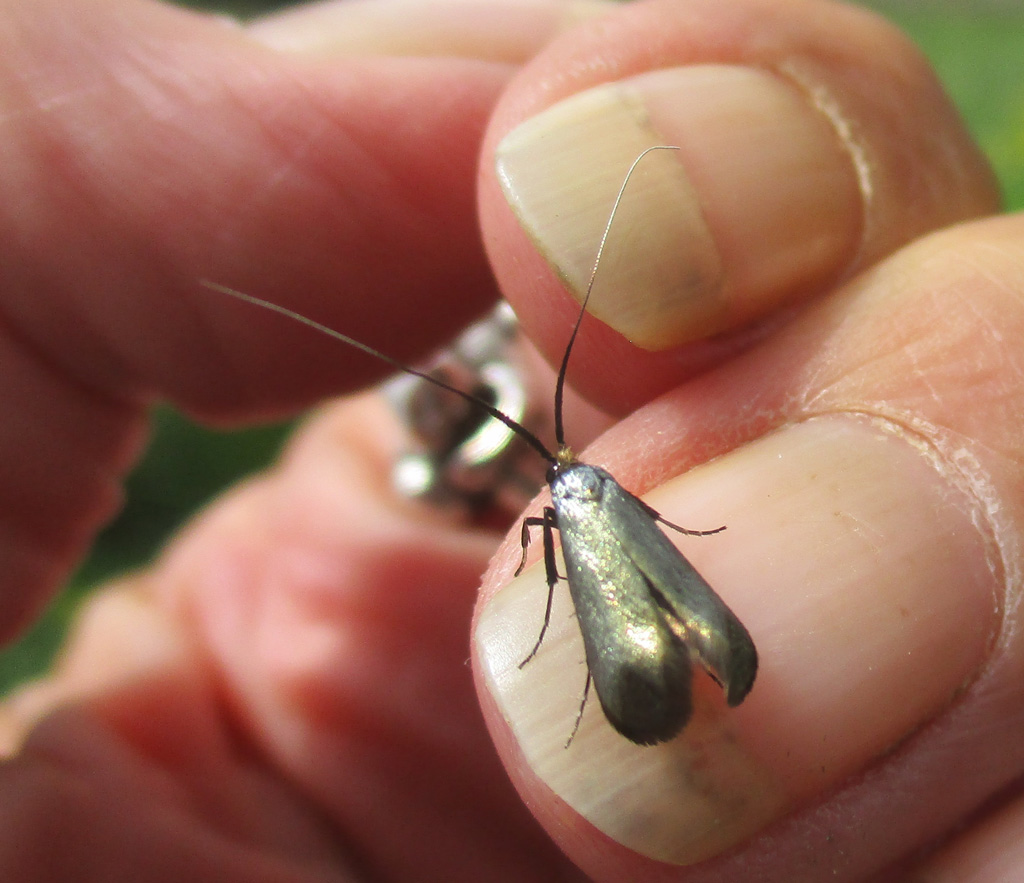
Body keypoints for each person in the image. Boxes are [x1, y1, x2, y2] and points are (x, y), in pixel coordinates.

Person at [0, 0, 1018, 879]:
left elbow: (571, 553)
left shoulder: (570, 508)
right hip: (609, 550)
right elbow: (653, 535)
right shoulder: (603, 492)